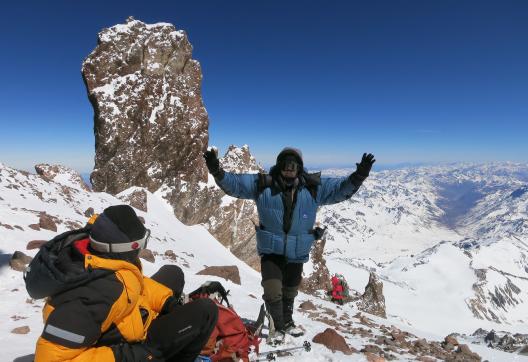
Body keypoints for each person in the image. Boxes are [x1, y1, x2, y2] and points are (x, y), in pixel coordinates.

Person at [204, 147, 375, 340]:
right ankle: (278, 327)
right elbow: (235, 184)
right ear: (279, 166)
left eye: (293, 165)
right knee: (272, 290)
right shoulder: (262, 185)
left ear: (299, 167)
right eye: (285, 164)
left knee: (290, 291)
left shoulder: (313, 188)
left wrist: (358, 176)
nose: (288, 169)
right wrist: (216, 170)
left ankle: (287, 322)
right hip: (271, 250)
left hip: (297, 250)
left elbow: (339, 189)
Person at [32, 205, 218, 362]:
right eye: (140, 244)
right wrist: (128, 355)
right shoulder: (93, 297)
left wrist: (166, 303)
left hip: (131, 318)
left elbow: (134, 284)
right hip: (126, 348)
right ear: (127, 248)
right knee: (206, 311)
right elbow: (51, 358)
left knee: (173, 273)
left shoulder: (104, 259)